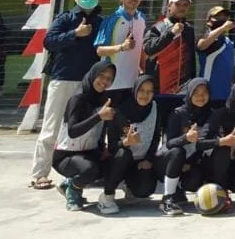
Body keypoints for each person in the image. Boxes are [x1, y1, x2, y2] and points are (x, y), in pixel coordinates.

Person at [31, 0, 103, 190]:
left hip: (89, 83)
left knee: (88, 128)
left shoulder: (101, 21)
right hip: (63, 78)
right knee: (52, 126)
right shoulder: (65, 18)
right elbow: (49, 41)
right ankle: (39, 173)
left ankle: (83, 171)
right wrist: (74, 34)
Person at [52, 60, 115, 212]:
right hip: (66, 156)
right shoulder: (78, 99)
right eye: (101, 76)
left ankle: (70, 183)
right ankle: (73, 188)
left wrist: (104, 150)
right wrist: (98, 116)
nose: (104, 81)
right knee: (90, 169)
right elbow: (72, 131)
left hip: (88, 152)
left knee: (114, 164)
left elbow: (100, 131)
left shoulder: (104, 100)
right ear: (92, 75)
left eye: (109, 78)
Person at [100, 74, 161, 214]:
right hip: (119, 161)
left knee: (145, 189)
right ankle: (107, 195)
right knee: (123, 153)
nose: (145, 95)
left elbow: (156, 136)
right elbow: (112, 146)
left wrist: (149, 159)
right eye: (141, 90)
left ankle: (129, 186)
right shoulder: (120, 112)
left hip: (139, 162)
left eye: (149, 91)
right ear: (135, 91)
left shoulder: (155, 108)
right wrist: (126, 142)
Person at [159, 77, 216, 215]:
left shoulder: (212, 114)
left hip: (191, 162)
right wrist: (186, 138)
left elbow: (205, 143)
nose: (200, 97)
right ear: (189, 94)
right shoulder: (178, 113)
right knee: (177, 152)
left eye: (204, 93)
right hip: (169, 161)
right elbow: (170, 143)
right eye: (196, 93)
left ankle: (179, 192)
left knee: (194, 181)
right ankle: (167, 198)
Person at [94, 0, 147, 103]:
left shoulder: (142, 18)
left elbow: (141, 47)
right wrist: (122, 47)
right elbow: (100, 51)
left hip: (133, 83)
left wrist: (143, 68)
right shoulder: (112, 20)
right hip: (111, 83)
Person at [143, 0, 197, 95]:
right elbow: (148, 49)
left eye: (185, 5)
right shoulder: (158, 27)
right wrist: (171, 33)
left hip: (184, 87)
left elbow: (191, 58)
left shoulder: (189, 29)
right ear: (169, 6)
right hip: (161, 85)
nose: (182, 7)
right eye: (178, 4)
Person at [197, 6, 235, 105]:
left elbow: (231, 64)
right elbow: (201, 45)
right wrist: (222, 28)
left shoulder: (228, 41)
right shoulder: (206, 37)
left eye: (224, 17)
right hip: (208, 95)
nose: (222, 19)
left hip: (226, 95)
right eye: (218, 17)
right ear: (209, 20)